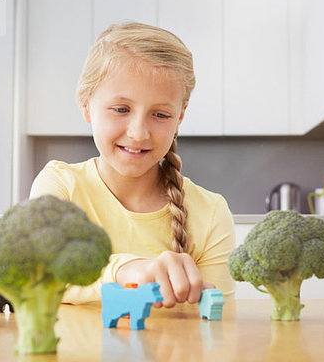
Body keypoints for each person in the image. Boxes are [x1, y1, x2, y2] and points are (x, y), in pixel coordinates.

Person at [29, 22, 235, 307]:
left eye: (161, 114)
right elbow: (42, 274)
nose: (139, 133)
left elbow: (216, 328)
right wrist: (128, 270)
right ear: (86, 105)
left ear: (180, 116)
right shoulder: (61, 186)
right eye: (122, 109)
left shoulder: (210, 213)